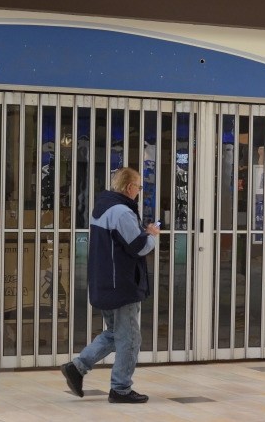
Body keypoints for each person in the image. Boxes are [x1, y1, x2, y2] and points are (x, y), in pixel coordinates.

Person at [61, 167, 160, 404]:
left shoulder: (102, 208)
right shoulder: (122, 212)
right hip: (121, 285)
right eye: (139, 186)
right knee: (130, 339)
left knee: (116, 334)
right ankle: (121, 389)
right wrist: (153, 235)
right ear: (129, 188)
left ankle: (78, 367)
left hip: (106, 282)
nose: (139, 191)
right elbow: (138, 247)